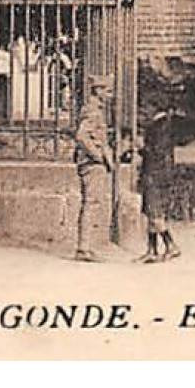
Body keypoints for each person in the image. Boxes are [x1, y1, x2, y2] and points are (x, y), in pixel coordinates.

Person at [72, 76, 114, 262]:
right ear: (98, 91)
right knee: (91, 203)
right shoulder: (92, 111)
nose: (110, 95)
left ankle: (85, 247)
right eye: (107, 91)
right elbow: (81, 136)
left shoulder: (95, 110)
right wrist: (98, 156)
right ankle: (84, 248)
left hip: (91, 163)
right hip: (91, 164)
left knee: (92, 202)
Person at [136, 109, 180, 263]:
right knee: (151, 213)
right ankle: (152, 250)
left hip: (155, 175)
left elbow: (156, 153)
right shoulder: (161, 125)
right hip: (156, 174)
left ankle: (171, 245)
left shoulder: (160, 127)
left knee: (154, 214)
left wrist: (141, 147)